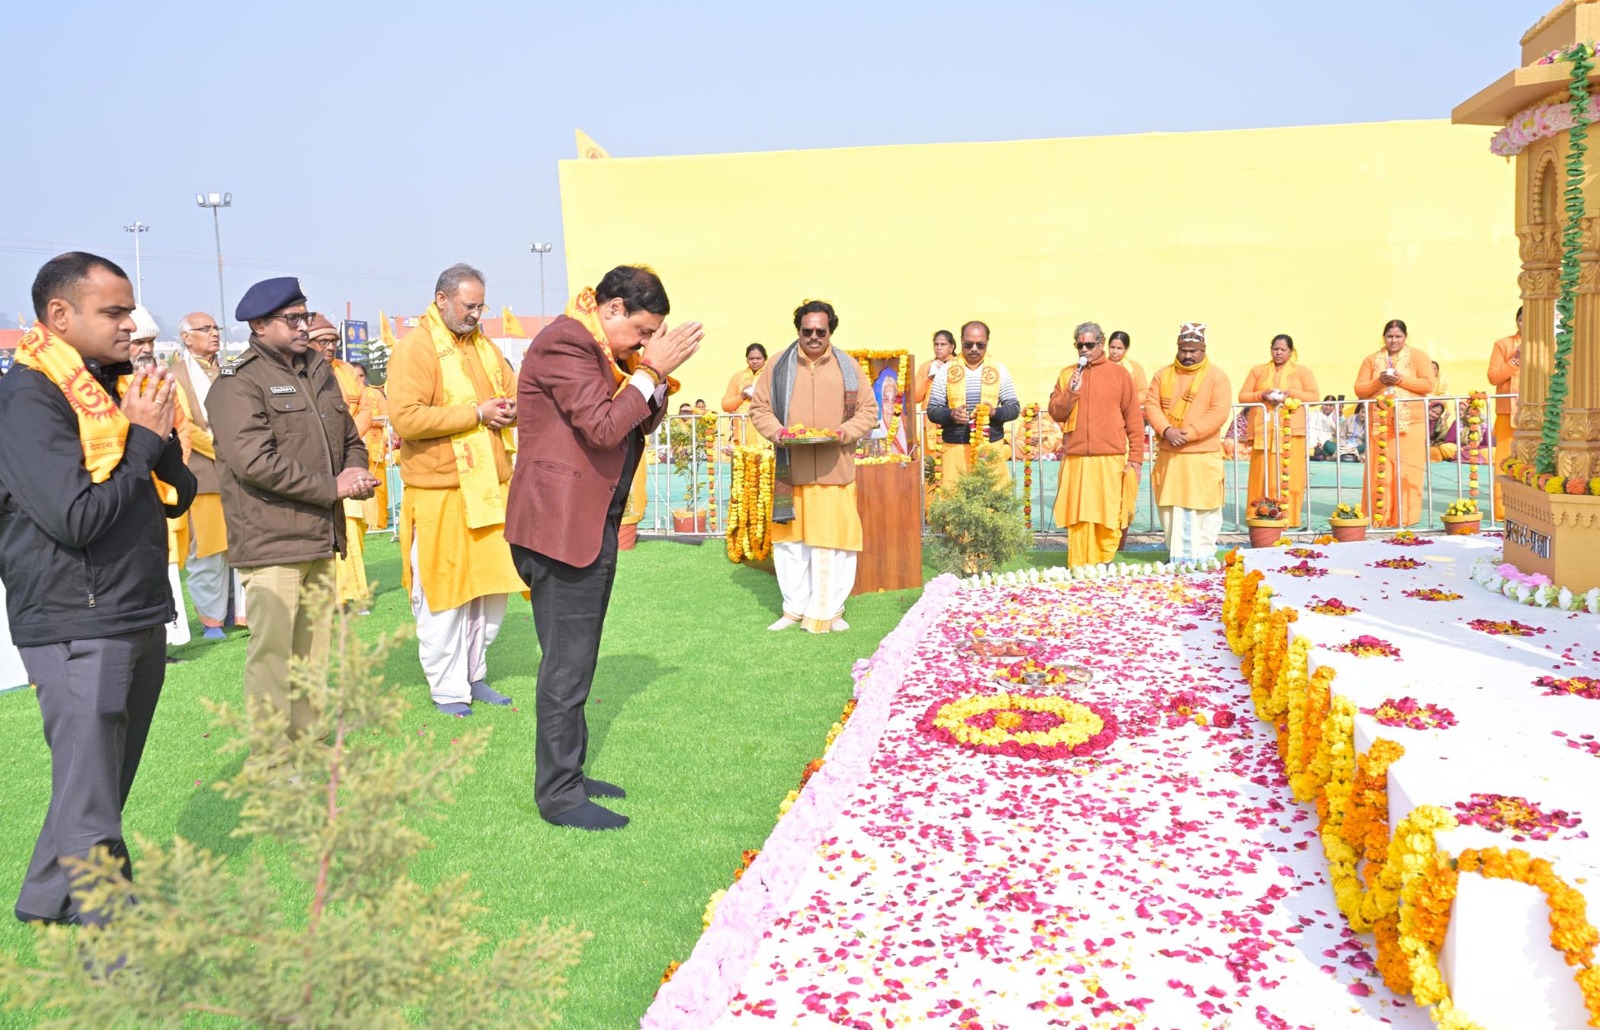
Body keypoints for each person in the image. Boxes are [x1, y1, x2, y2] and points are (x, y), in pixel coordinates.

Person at [0, 252, 196, 924]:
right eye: (113, 312)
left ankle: (45, 898)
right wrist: (140, 438)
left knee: (100, 782)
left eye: (129, 311)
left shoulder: (106, 385)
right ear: (60, 314)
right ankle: (114, 942)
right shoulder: (31, 398)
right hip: (74, 618)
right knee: (92, 798)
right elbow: (75, 519)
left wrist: (154, 434)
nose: (130, 324)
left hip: (133, 604)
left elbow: (177, 490)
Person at [505, 265, 701, 831]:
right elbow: (603, 427)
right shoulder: (566, 343)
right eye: (641, 331)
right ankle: (560, 796)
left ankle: (570, 772)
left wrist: (652, 375)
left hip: (588, 526)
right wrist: (651, 369)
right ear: (612, 309)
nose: (643, 344)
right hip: (560, 531)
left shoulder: (604, 353)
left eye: (651, 337)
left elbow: (638, 422)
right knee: (566, 669)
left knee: (576, 661)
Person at [208, 277, 376, 762]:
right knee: (273, 657)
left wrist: (355, 471)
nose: (305, 326)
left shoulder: (319, 370)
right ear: (260, 325)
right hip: (271, 540)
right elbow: (254, 462)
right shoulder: (238, 382)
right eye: (293, 319)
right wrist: (332, 487)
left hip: (320, 536)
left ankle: (308, 743)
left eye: (306, 315)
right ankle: (270, 758)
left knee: (312, 653)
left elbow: (350, 439)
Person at [388, 264, 525, 718]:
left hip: (490, 489)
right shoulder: (416, 348)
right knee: (444, 596)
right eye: (470, 306)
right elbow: (406, 418)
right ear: (442, 299)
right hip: (441, 493)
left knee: (490, 594)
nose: (476, 314)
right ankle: (448, 689)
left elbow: (516, 395)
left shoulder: (485, 347)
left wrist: (509, 411)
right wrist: (476, 414)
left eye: (481, 306)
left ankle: (473, 674)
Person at [750, 299, 879, 633]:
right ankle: (793, 609)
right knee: (791, 544)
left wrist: (844, 432)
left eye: (821, 331)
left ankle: (831, 610)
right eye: (807, 331)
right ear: (798, 330)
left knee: (835, 542)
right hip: (791, 468)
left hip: (836, 468)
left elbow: (868, 410)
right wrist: (778, 433)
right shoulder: (777, 365)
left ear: (830, 331)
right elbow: (760, 408)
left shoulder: (848, 367)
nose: (814, 337)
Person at [170, 311, 242, 638]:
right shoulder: (176, 375)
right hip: (204, 477)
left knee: (240, 546)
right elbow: (185, 426)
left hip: (240, 476)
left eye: (216, 328)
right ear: (187, 337)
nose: (214, 333)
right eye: (205, 329)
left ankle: (239, 613)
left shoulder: (230, 370)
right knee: (209, 551)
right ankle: (212, 620)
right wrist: (229, 450)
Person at [1048, 322, 1143, 567]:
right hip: (1076, 456)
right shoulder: (1067, 374)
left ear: (1101, 344)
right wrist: (1071, 393)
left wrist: (1136, 459)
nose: (1084, 349)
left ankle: (1104, 561)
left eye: (1089, 345)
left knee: (1107, 513)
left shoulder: (1119, 374)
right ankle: (1079, 563)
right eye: (1079, 345)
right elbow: (1056, 412)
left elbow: (1133, 419)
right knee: (1078, 513)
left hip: (1109, 456)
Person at [1144, 323, 1232, 564]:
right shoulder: (1162, 375)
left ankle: (1203, 557)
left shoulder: (1217, 377)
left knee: (1205, 508)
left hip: (1202, 455)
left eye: (1193, 351)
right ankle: (1176, 556)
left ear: (1203, 350)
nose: (1188, 355)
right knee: (1170, 507)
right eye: (1183, 350)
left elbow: (1218, 412)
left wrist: (1188, 434)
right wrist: (1166, 430)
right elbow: (1151, 405)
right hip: (1170, 454)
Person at [308, 315, 374, 611]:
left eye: (334, 341)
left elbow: (366, 409)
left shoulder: (346, 370)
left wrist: (347, 441)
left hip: (352, 458)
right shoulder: (302, 372)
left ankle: (353, 594)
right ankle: (333, 596)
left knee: (354, 526)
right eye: (323, 341)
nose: (330, 346)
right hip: (320, 466)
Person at [1354, 319, 1437, 528]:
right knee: (1380, 469)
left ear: (1405, 337)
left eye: (1398, 336)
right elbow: (1359, 389)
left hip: (1411, 424)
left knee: (1407, 470)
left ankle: (1405, 516)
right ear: (1384, 337)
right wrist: (1379, 381)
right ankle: (1378, 515)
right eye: (1390, 336)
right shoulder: (1371, 360)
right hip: (1379, 423)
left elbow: (1428, 384)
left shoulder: (1418, 357)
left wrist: (1400, 380)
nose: (1394, 340)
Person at [926, 321, 1020, 493]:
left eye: (980, 345)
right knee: (954, 501)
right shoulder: (946, 371)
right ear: (961, 341)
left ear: (987, 342)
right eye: (968, 344)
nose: (974, 349)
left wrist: (994, 412)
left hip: (990, 447)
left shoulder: (1000, 370)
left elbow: (1013, 408)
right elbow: (932, 410)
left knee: (992, 502)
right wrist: (951, 414)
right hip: (955, 447)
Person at [1238, 334, 1320, 527]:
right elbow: (1243, 396)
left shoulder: (1302, 372)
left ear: (1291, 352)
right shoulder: (1258, 371)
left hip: (1291, 433)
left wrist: (1290, 394)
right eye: (1275, 349)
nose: (1279, 353)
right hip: (1264, 433)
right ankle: (1258, 514)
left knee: (1290, 475)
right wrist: (1262, 395)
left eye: (1283, 349)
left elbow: (1314, 397)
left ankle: (1288, 516)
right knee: (1260, 474)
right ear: (1271, 350)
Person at [1106, 330, 1148, 538]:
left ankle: (1123, 521)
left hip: (1127, 420)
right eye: (1112, 347)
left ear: (1126, 349)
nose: (1115, 352)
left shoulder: (1134, 369)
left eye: (1119, 348)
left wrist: (1124, 401)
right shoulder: (1101, 366)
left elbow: (1143, 393)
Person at [1486, 307, 1522, 519]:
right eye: (1522, 320)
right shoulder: (1503, 345)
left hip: (1541, 414)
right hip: (1508, 412)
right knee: (1504, 460)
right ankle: (1503, 510)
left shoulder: (1549, 345)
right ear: (1517, 322)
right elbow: (1493, 377)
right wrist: (1515, 361)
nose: (1526, 324)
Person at [352, 363, 390, 530]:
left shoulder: (375, 394)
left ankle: (379, 523)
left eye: (361, 375)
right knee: (356, 485)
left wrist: (369, 420)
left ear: (365, 377)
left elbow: (387, 417)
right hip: (354, 448)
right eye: (354, 376)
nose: (358, 379)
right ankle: (361, 523)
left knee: (378, 486)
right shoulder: (347, 394)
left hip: (375, 446)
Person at [721, 343, 769, 448]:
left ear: (765, 359)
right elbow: (725, 405)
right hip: (741, 431)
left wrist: (756, 397)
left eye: (758, 358)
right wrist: (742, 396)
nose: (755, 361)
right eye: (751, 358)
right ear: (746, 359)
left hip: (764, 430)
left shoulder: (771, 375)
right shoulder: (738, 377)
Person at [1308, 395, 1339, 460]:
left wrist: (1331, 421)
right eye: (1326, 405)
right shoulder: (1314, 415)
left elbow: (1339, 435)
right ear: (1322, 404)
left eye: (1330, 405)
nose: (1327, 407)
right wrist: (1317, 443)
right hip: (1315, 445)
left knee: (1328, 445)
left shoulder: (1336, 418)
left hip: (1328, 446)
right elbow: (1311, 432)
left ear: (1334, 407)